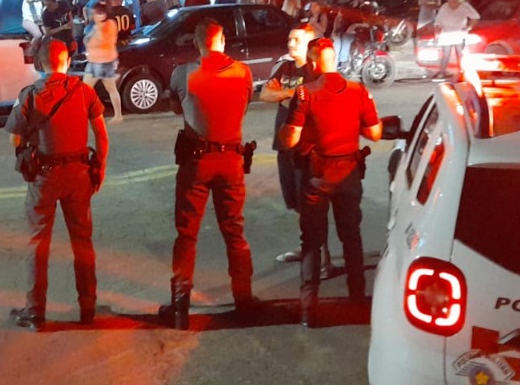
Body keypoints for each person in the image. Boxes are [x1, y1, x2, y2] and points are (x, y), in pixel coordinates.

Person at [278, 37, 382, 327]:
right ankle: (357, 300)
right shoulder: (358, 90)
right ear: (334, 60)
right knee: (351, 237)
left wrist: (286, 131)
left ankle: (309, 310)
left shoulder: (304, 93)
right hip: (349, 174)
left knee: (311, 240)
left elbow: (291, 139)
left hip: (316, 177)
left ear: (312, 64)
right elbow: (374, 133)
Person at [5, 39, 109, 330]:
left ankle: (35, 311)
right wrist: (100, 167)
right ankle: (87, 306)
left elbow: (14, 138)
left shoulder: (29, 95)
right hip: (79, 176)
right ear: (67, 62)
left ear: (40, 64)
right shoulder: (84, 91)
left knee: (39, 243)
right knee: (82, 241)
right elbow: (101, 135)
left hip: (45, 177)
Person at [161, 19, 257, 329]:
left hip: (196, 162)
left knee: (187, 234)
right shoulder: (243, 72)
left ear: (197, 43)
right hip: (231, 161)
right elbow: (243, 107)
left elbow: (176, 108)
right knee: (235, 232)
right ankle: (244, 301)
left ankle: (180, 308)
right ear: (223, 41)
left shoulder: (183, 74)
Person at [260, 23, 335, 274]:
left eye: (297, 40)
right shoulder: (284, 67)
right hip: (285, 146)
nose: (290, 44)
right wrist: (294, 92)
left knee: (313, 204)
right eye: (290, 39)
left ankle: (323, 257)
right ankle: (307, 247)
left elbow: (316, 97)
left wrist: (282, 92)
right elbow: (264, 95)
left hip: (308, 149)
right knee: (294, 202)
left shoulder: (317, 70)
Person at [83, 2, 123, 123]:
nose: (93, 16)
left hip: (104, 62)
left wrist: (98, 26)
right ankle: (85, 114)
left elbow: (103, 41)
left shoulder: (109, 25)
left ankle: (118, 115)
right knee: (85, 90)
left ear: (103, 14)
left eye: (96, 13)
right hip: (93, 61)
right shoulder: (97, 25)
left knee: (110, 88)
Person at [431, 0, 479, 80]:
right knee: (446, 53)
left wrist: (469, 27)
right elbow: (438, 21)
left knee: (460, 53)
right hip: (446, 33)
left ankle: (462, 72)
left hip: (459, 32)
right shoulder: (444, 7)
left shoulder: (464, 6)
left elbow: (475, 17)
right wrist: (437, 31)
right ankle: (442, 72)